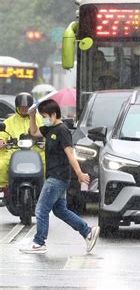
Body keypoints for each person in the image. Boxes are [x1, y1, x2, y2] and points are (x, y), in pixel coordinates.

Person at [20, 99, 99, 254]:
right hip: (56, 177)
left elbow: (70, 154)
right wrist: (31, 115)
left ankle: (39, 242)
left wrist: (80, 173)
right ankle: (88, 232)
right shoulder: (50, 129)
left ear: (54, 114)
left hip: (57, 177)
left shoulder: (62, 130)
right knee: (60, 210)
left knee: (41, 210)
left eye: (44, 116)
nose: (42, 118)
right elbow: (34, 132)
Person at [0, 92, 45, 188]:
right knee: (2, 164)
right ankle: (4, 189)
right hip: (14, 151)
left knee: (46, 162)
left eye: (27, 107)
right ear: (17, 107)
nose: (24, 109)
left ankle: (45, 188)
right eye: (22, 107)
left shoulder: (39, 119)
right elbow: (2, 135)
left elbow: (48, 131)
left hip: (36, 150)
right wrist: (1, 140)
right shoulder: (9, 121)